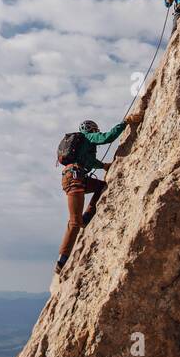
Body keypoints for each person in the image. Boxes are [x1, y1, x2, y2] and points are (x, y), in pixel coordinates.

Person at [54, 113, 141, 274]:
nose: (96, 132)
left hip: (74, 178)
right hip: (75, 178)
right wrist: (124, 123)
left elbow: (90, 162)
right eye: (95, 130)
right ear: (91, 129)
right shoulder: (88, 136)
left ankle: (87, 217)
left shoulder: (81, 147)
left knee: (102, 186)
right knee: (74, 222)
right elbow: (107, 138)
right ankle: (62, 260)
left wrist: (104, 166)